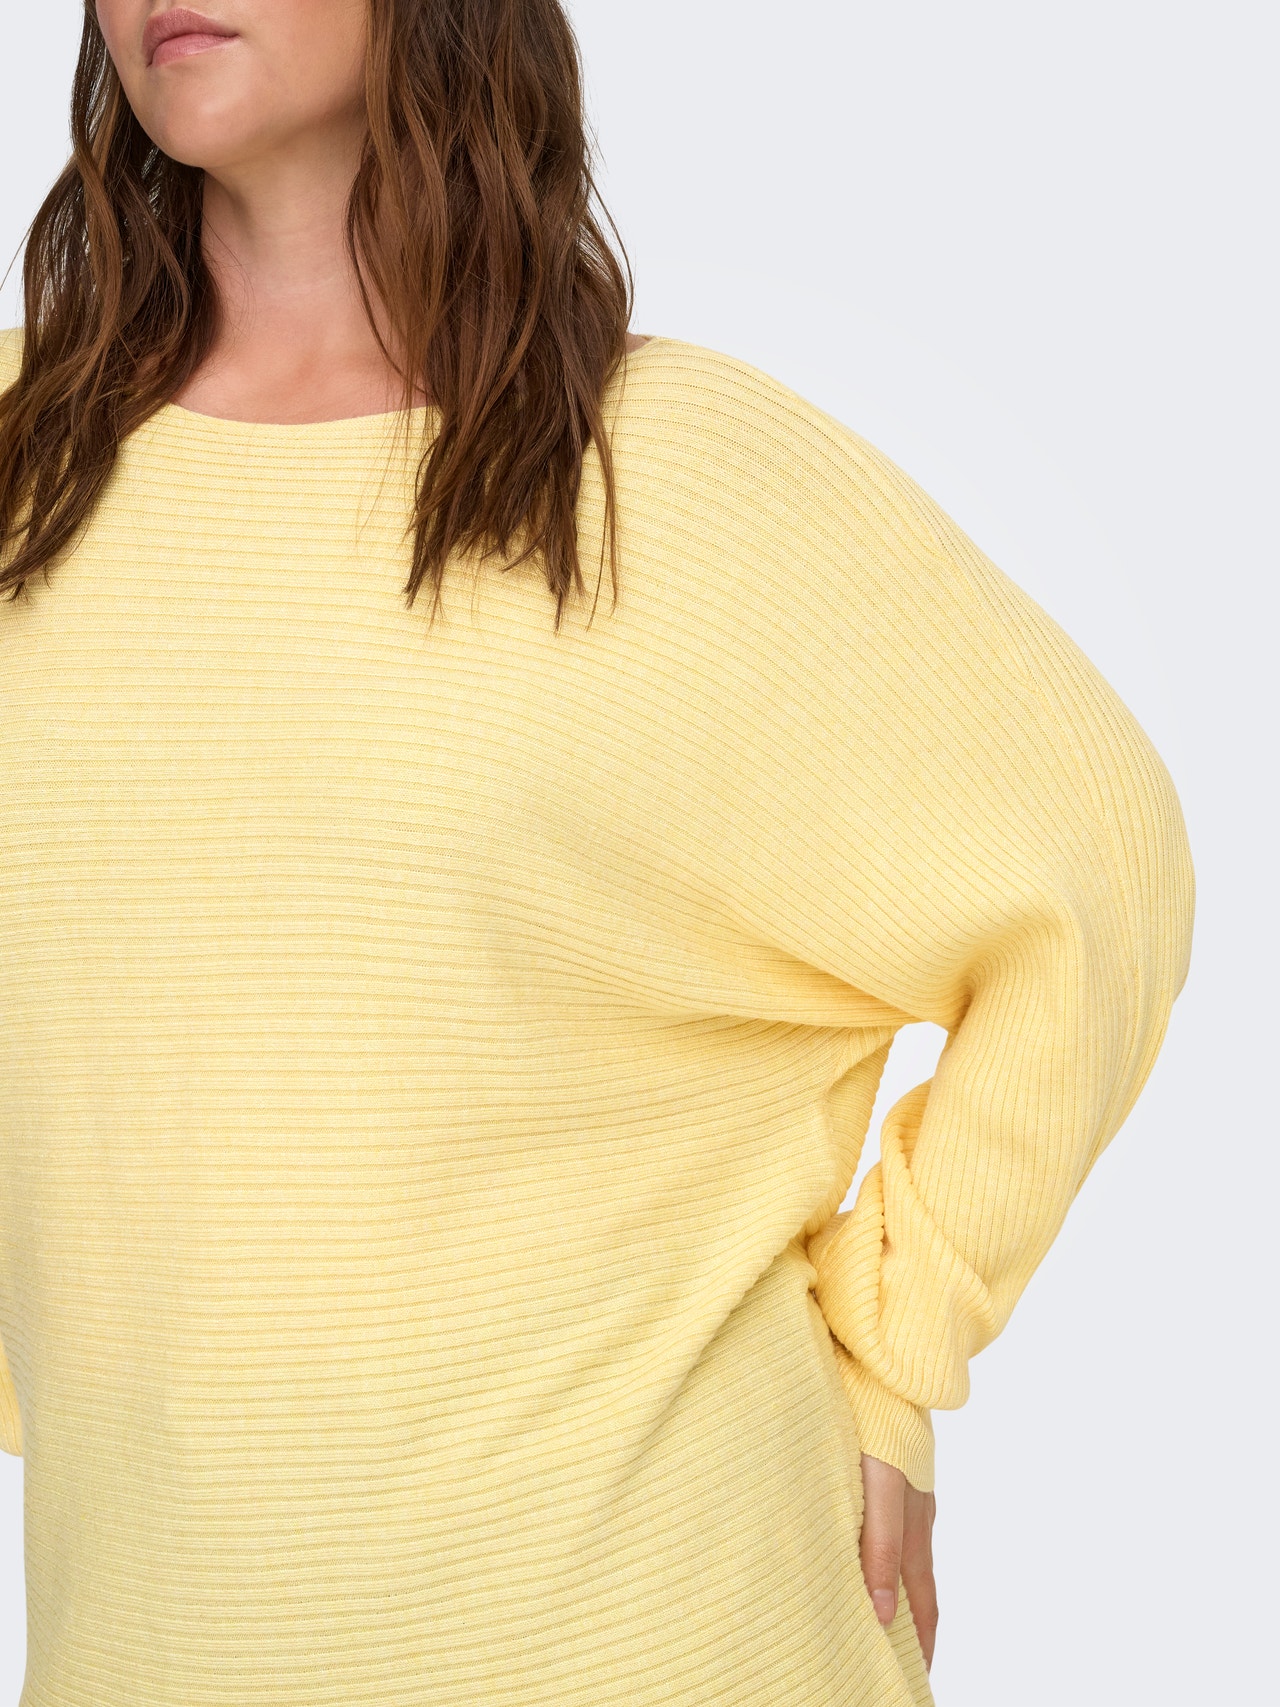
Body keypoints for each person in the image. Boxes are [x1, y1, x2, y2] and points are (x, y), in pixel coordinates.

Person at [0, 3, 1195, 1705]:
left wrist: (902, 1340)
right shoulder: (27, 460)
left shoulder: (668, 472)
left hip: (659, 1623)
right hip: (156, 1636)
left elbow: (1102, 869)